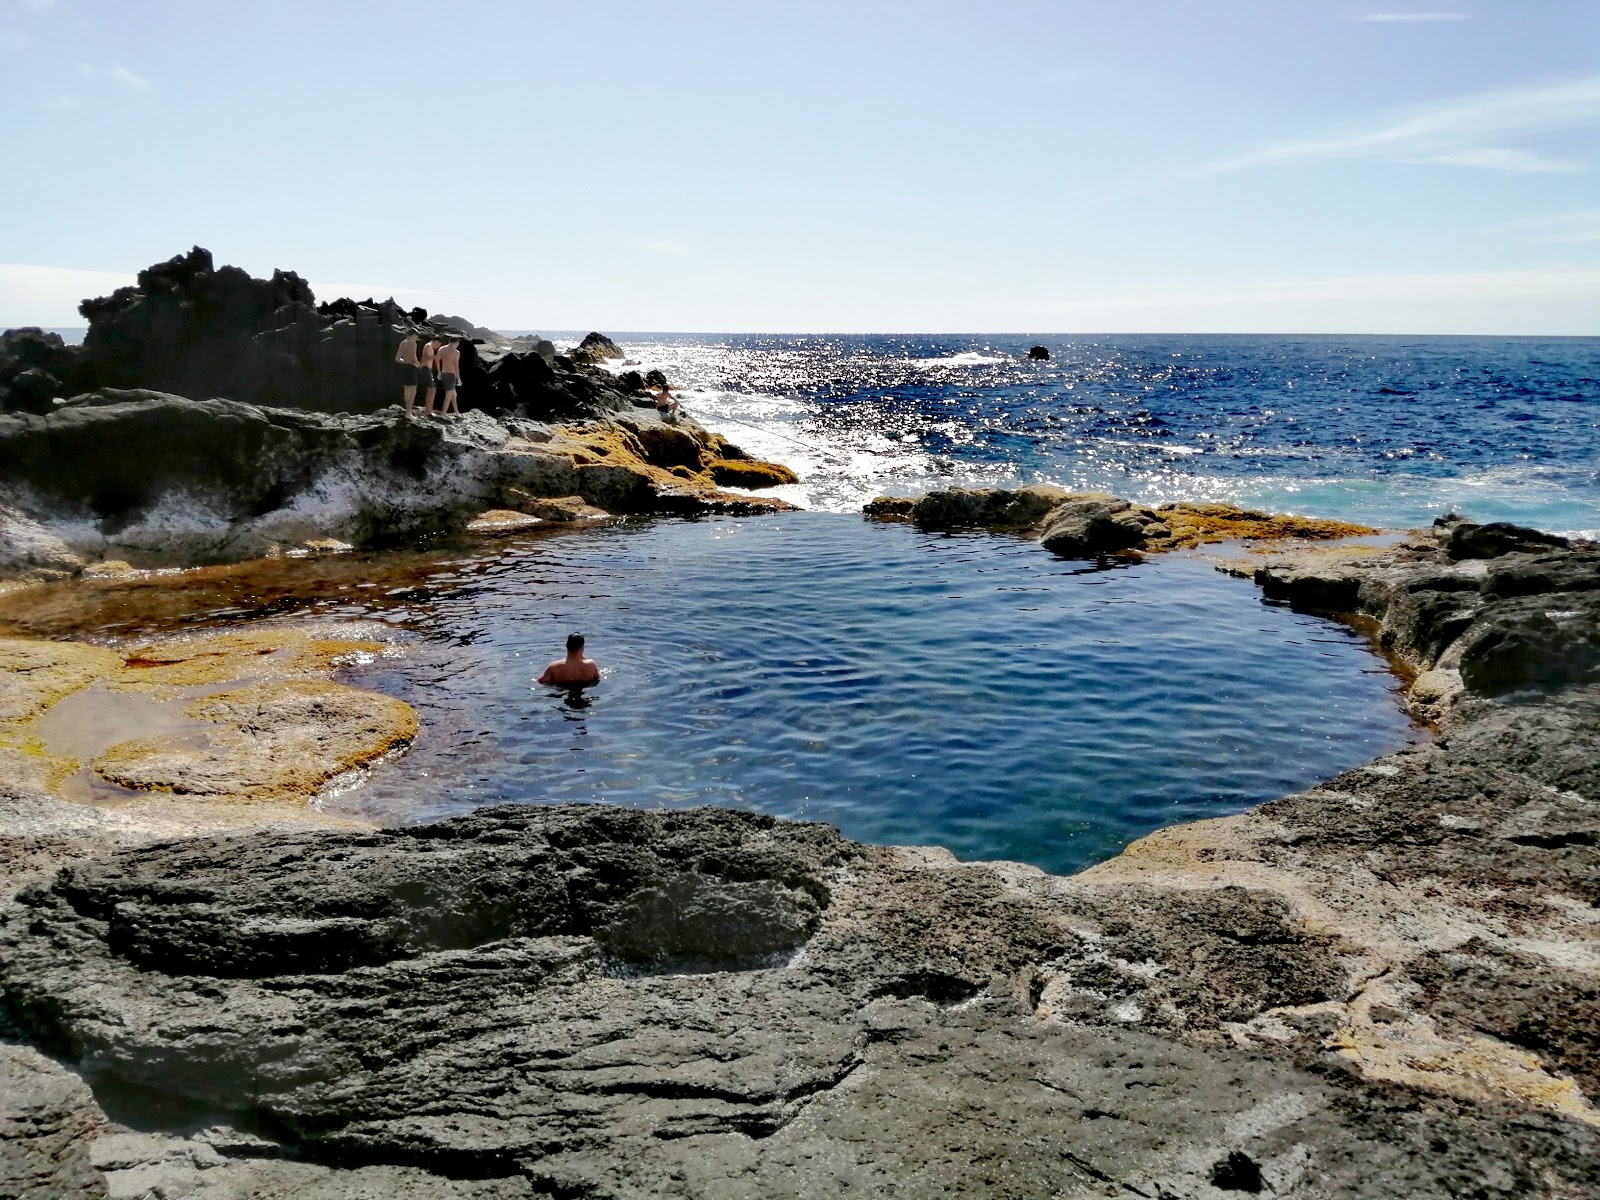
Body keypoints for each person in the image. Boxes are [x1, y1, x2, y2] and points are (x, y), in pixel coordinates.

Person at [394, 328, 424, 415]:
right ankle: (408, 412)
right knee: (413, 390)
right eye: (416, 336)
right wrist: (419, 365)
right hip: (411, 368)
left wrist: (405, 361)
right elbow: (414, 358)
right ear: (411, 335)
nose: (416, 338)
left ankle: (408, 411)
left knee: (406, 389)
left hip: (404, 368)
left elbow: (397, 359)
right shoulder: (413, 344)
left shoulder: (402, 343)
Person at [435, 337, 463, 416]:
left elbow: (436, 359)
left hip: (443, 373)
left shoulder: (442, 349)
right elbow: (456, 366)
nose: (457, 346)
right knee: (448, 396)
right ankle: (443, 414)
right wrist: (459, 379)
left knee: (453, 394)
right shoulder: (456, 352)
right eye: (457, 344)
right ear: (455, 343)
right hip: (451, 375)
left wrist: (439, 372)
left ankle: (457, 412)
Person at [418, 334, 440, 415]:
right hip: (426, 368)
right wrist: (434, 357)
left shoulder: (429, 346)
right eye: (438, 345)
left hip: (427, 369)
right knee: (432, 389)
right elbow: (425, 357)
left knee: (431, 389)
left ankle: (428, 408)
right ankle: (428, 410)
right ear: (436, 341)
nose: (437, 347)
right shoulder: (428, 346)